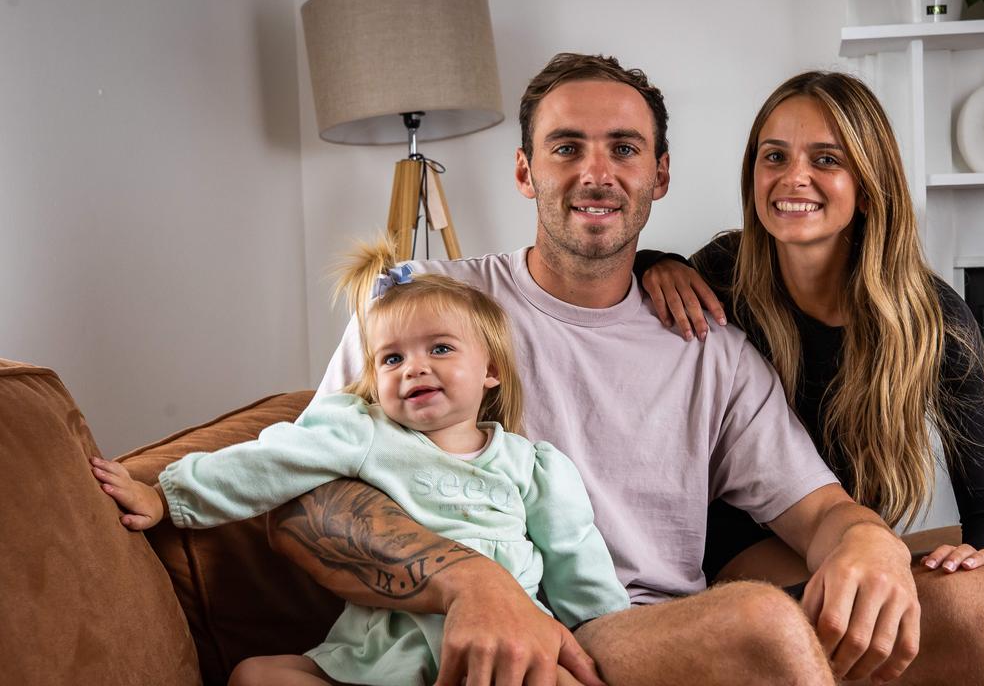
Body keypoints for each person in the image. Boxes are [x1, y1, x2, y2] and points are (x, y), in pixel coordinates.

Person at [271, 53, 984, 686]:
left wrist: (866, 540)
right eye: (566, 147)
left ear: (661, 176)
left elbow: (817, 511)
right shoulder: (426, 309)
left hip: (649, 630)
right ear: (524, 171)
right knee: (757, 622)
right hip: (504, 629)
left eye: (624, 149)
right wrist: (473, 586)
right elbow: (302, 499)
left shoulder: (710, 341)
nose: (596, 172)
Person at [635, 70, 984, 632]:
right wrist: (653, 261)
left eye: (826, 160)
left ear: (870, 184)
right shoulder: (722, 274)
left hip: (855, 539)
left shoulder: (933, 318)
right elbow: (611, 285)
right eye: (774, 157)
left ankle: (926, 625)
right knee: (846, 611)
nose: (793, 178)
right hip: (744, 539)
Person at [90, 242, 630, 685]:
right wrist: (167, 496)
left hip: (497, 657)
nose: (413, 368)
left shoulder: (533, 466)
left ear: (490, 370)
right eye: (392, 358)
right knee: (256, 676)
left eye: (440, 349)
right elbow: (269, 461)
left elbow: (576, 562)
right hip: (380, 660)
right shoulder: (362, 430)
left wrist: (607, 640)